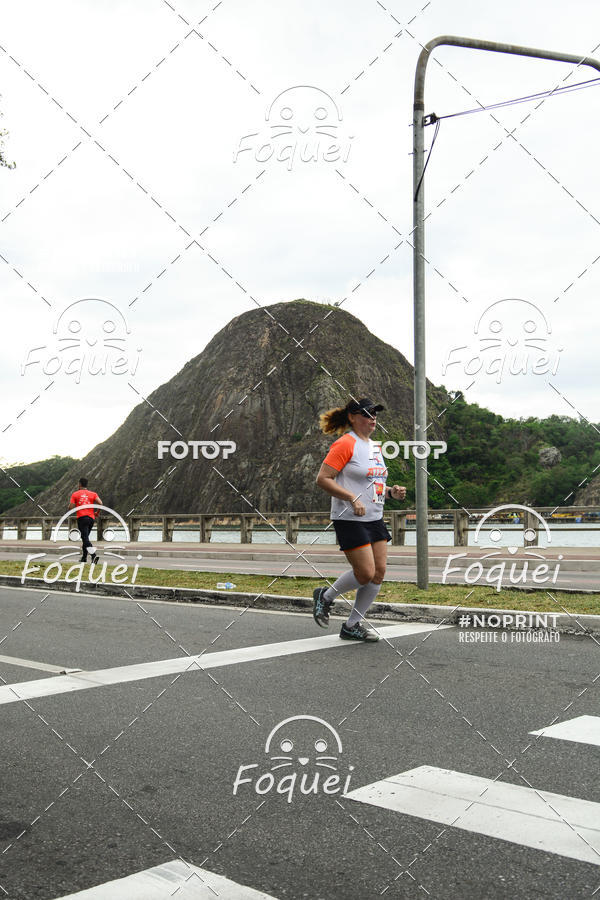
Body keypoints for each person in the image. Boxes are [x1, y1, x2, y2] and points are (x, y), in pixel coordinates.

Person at [313, 398, 406, 642]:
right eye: (367, 413)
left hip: (374, 517)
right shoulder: (345, 444)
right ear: (353, 417)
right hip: (349, 517)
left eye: (375, 413)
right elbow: (323, 479)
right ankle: (325, 596)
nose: (373, 418)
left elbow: (374, 483)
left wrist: (390, 493)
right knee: (364, 573)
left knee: (378, 573)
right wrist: (351, 497)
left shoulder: (375, 447)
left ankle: (352, 625)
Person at [69, 477, 102, 564]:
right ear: (86, 484)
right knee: (85, 538)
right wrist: (97, 512)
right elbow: (101, 503)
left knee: (85, 538)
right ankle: (84, 558)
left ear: (79, 484)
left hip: (82, 518)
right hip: (91, 518)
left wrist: (74, 505)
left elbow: (71, 507)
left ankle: (94, 555)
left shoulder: (75, 494)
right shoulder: (93, 494)